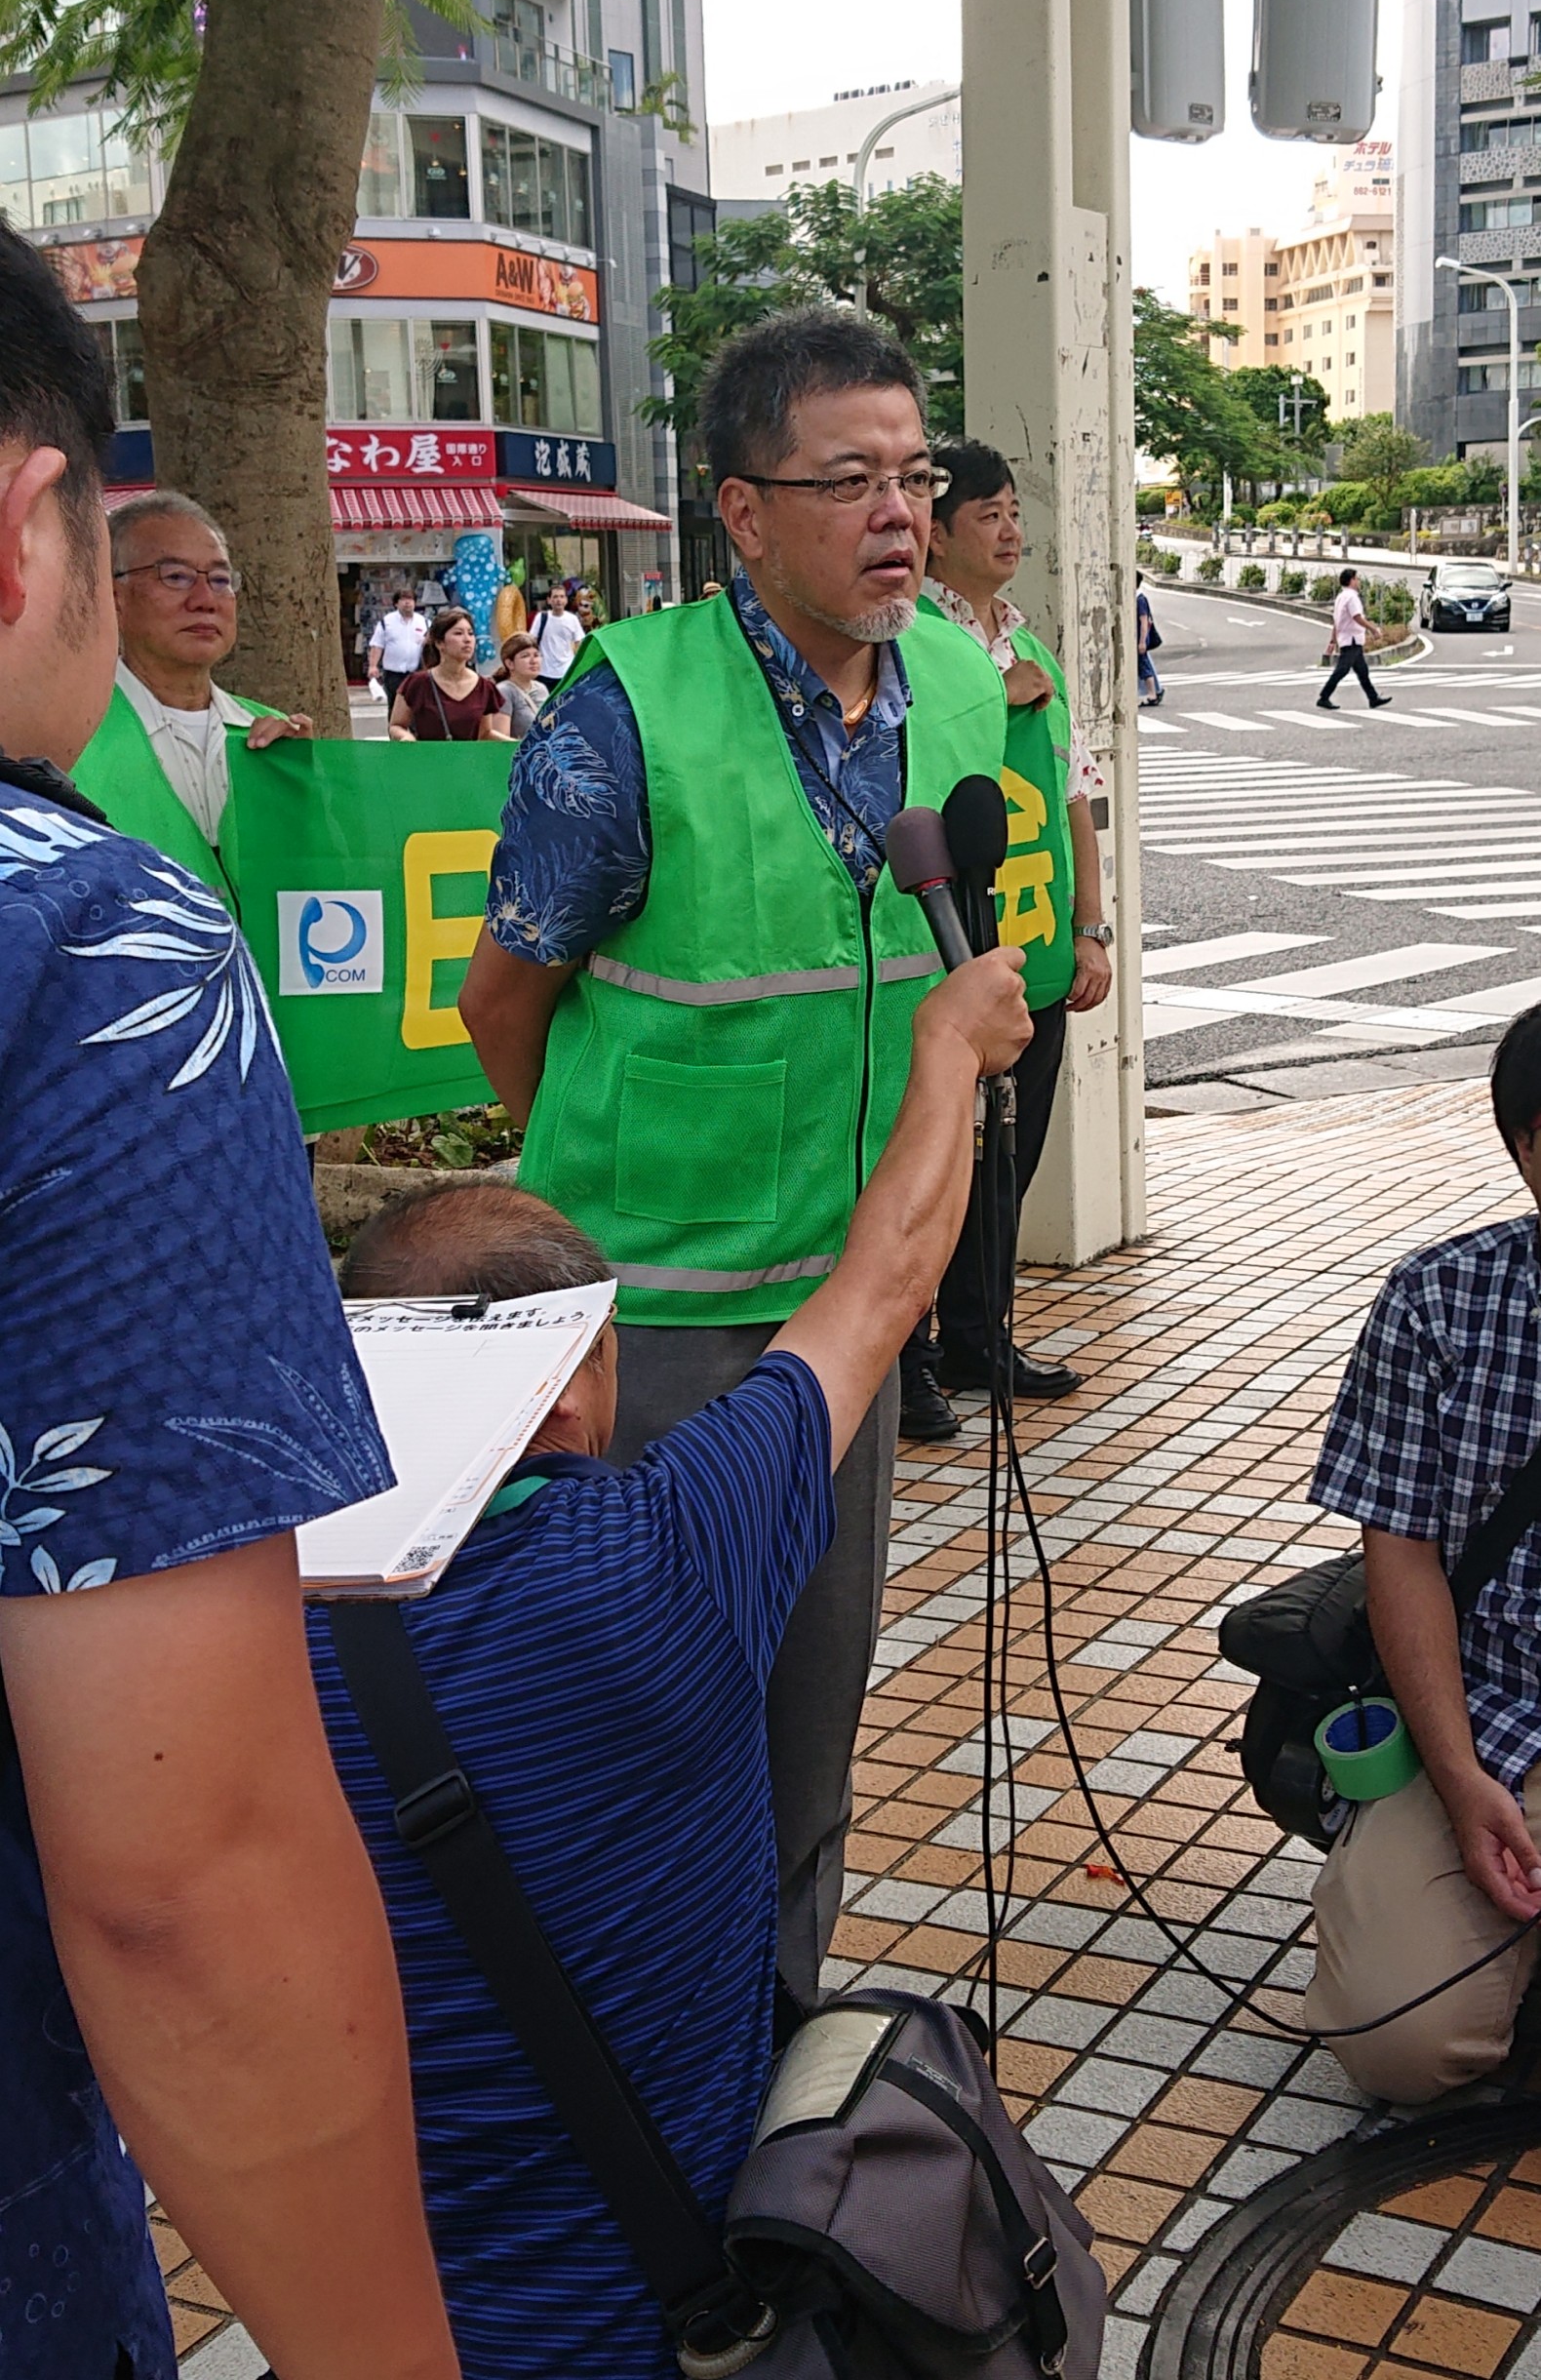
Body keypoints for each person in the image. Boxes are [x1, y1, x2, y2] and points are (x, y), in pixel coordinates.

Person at [312, 944, 1032, 2378]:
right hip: (669, 2319)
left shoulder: (235, 1655)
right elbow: (883, 1281)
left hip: (396, 2323)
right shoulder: (667, 1553)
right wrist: (945, 1048)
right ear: (579, 1376)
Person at [0, 219, 457, 2379]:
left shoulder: (261, 755)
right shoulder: (85, 944)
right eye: (141, 556)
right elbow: (185, 1867)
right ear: (32, 532)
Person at [459, 307, 1006, 2002]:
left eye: (913, 477)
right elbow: (504, 1003)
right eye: (847, 481)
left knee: (804, 1733)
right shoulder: (626, 716)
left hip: (843, 1314)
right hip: (642, 1330)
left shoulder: (969, 682)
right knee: (634, 1725)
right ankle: (626, 2078)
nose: (899, 515)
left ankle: (770, 2055)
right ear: (743, 513)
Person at [1303, 1002, 1541, 2103]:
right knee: (1392, 2036)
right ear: (1527, 1148)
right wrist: (1454, 1779)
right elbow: (1396, 1554)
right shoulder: (1438, 1301)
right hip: (1491, 1712)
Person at [896, 438, 1113, 1441]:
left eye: (1012, 510)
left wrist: (1092, 929)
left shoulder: (1035, 646)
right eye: (987, 513)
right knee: (925, 1157)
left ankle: (980, 1335)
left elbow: (1079, 792)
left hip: (1035, 944)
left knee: (1007, 1157)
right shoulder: (909, 647)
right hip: (944, 953)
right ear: (935, 538)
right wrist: (994, 697)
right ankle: (908, 1354)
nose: (1010, 529)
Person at [70, 489, 311, 910]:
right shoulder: (74, 735)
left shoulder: (272, 732)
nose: (205, 600)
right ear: (114, 597)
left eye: (220, 580)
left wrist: (314, 788)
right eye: (175, 576)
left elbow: (323, 876)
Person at [391, 606, 511, 742]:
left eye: (471, 633)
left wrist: (517, 746)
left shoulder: (485, 687)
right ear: (439, 643)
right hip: (428, 760)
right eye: (458, 633)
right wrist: (405, 737)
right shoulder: (417, 683)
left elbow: (485, 734)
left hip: (468, 761)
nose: (467, 639)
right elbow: (396, 725)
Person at [1317, 566, 1391, 710]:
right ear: (1351, 580)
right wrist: (1373, 629)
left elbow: (1337, 621)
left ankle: (1373, 698)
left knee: (1362, 671)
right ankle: (1324, 697)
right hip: (1352, 639)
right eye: (1356, 579)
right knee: (1342, 670)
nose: (1358, 582)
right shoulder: (1351, 597)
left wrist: (1333, 640)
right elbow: (1356, 617)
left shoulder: (1341, 597)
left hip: (1348, 638)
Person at [369, 589, 429, 708]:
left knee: (415, 706)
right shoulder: (386, 622)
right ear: (396, 603)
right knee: (395, 706)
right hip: (393, 674)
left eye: (410, 599)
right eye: (403, 599)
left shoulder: (424, 622)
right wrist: (373, 666)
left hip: (415, 672)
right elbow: (377, 645)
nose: (407, 603)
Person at [529, 586, 586, 687]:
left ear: (566, 600)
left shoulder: (572, 619)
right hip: (545, 672)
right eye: (555, 597)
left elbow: (579, 644)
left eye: (561, 596)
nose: (558, 600)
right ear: (549, 600)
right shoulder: (541, 618)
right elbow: (531, 641)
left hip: (566, 672)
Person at [496, 630, 548, 739]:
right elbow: (500, 739)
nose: (533, 661)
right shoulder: (504, 691)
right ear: (510, 663)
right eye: (525, 656)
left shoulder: (541, 689)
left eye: (536, 655)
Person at [1136, 571, 1164, 706]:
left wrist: (1142, 642)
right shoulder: (1137, 598)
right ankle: (1155, 691)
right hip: (1138, 640)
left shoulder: (1140, 599)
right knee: (1144, 666)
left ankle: (1153, 694)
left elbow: (1144, 621)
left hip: (1140, 640)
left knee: (1144, 667)